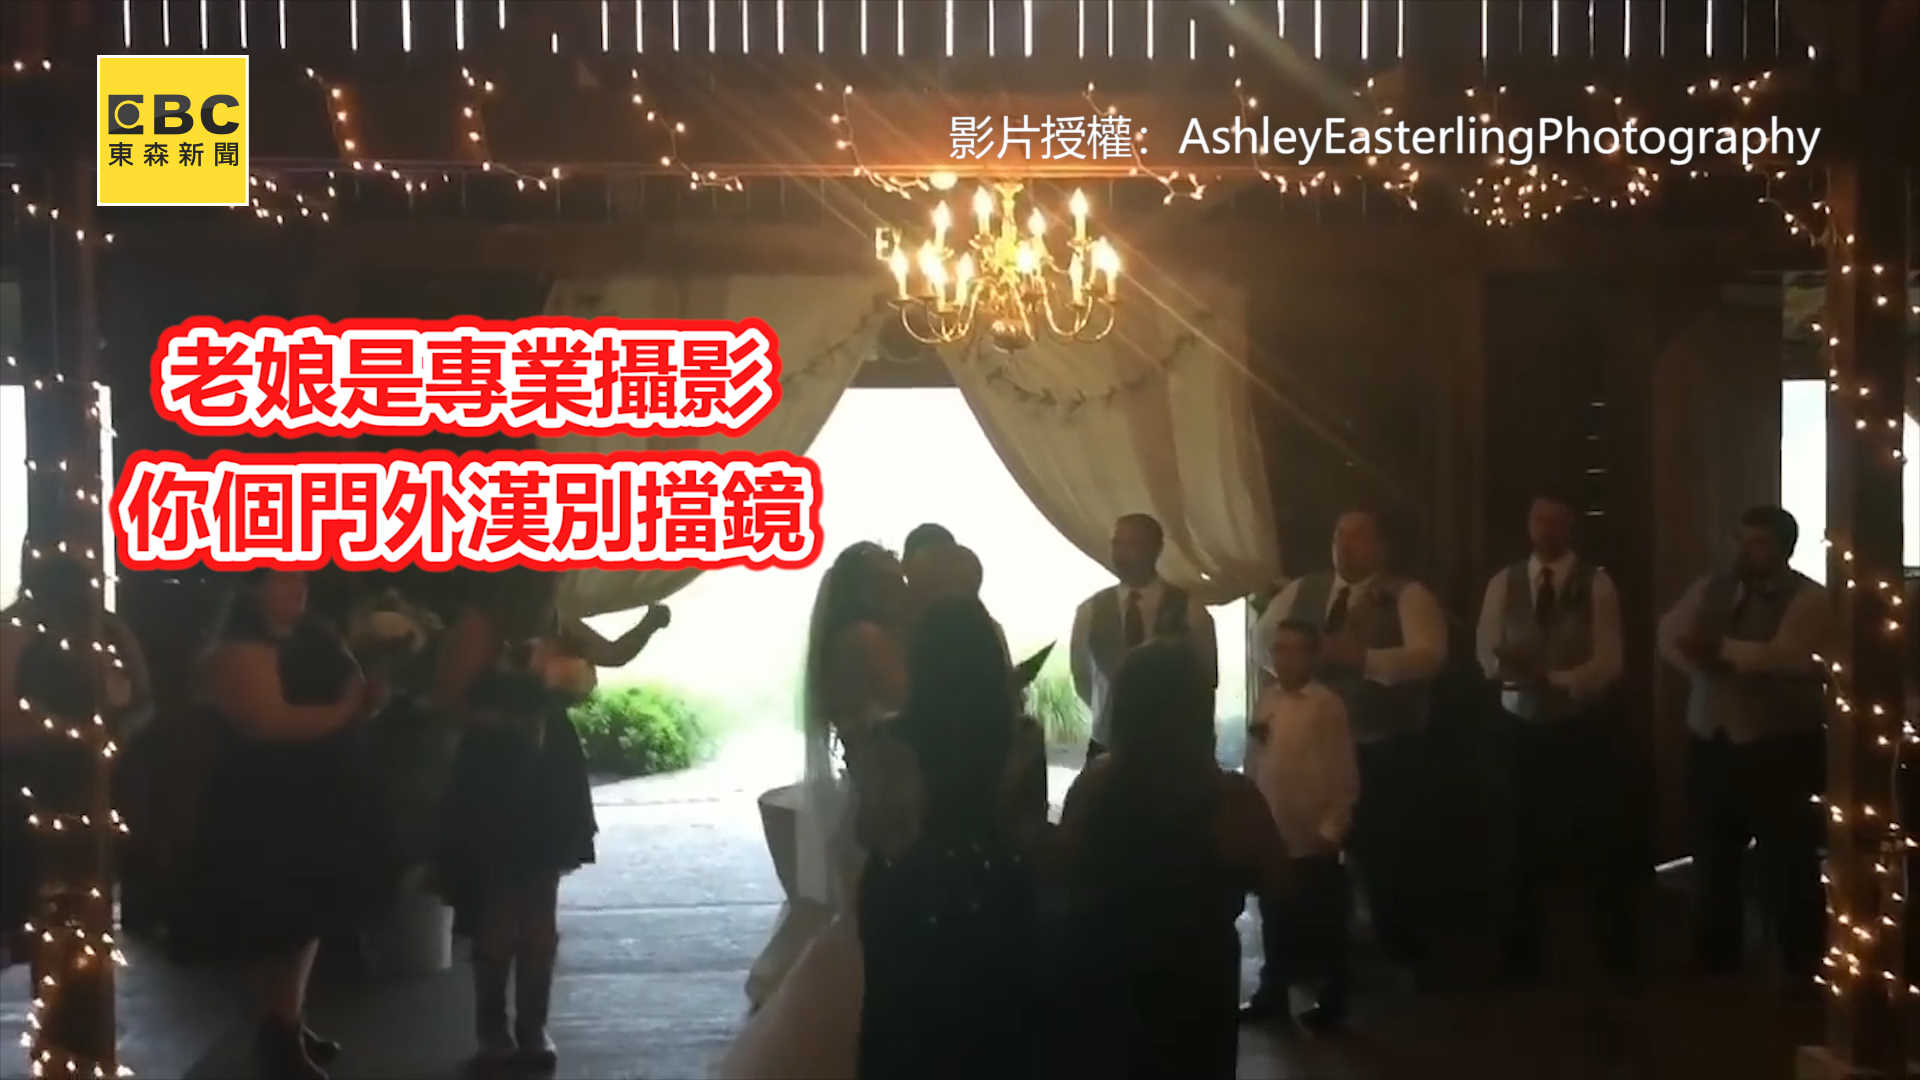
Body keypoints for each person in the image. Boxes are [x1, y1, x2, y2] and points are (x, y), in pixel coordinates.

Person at [434, 568, 671, 1068]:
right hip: (494, 771)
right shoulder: (480, 623)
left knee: (541, 904)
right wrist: (514, 710)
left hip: (549, 768)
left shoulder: (557, 619)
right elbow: (451, 699)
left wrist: (648, 625)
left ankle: (532, 1025)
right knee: (499, 906)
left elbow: (611, 654)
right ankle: (493, 1029)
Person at [167, 569, 392, 1079]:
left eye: (301, 581)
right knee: (278, 921)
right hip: (268, 798)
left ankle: (287, 1019)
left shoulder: (315, 634)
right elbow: (269, 722)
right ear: (254, 589)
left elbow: (349, 694)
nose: (299, 590)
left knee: (307, 916)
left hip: (322, 792)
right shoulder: (238, 649)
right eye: (285, 582)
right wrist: (345, 710)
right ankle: (280, 1030)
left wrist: (367, 698)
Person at [1057, 639, 1292, 1078]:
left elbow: (1064, 874)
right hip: (1198, 988)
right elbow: (1280, 884)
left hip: (1108, 984)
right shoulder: (1234, 801)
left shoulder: (1093, 789)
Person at [719, 541, 910, 1079]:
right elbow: (908, 702)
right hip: (877, 791)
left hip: (859, 785)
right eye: (891, 579)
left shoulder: (844, 638)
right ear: (868, 589)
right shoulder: (869, 639)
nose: (902, 588)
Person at [854, 597, 1049, 1078]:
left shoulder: (889, 739)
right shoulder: (1022, 738)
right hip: (998, 898)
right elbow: (1027, 830)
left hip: (908, 904)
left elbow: (874, 831)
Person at [1252, 508, 1446, 985]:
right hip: (1309, 748)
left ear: (1381, 545)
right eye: (1339, 534)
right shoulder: (1304, 589)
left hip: (1381, 746)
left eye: (1358, 535)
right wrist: (1293, 672)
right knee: (1306, 856)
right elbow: (1262, 639)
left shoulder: (1409, 595)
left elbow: (1429, 657)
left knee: (1384, 857)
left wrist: (1364, 658)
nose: (1344, 544)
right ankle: (1313, 956)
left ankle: (1396, 954)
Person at [1659, 505, 1831, 996]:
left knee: (1788, 856)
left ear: (1783, 548)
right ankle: (1715, 957)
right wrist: (1698, 665)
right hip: (1711, 736)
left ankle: (1800, 963)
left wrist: (1720, 653)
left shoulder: (1809, 598)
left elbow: (1789, 655)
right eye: (1742, 539)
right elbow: (1669, 632)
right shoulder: (1712, 587)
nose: (1745, 551)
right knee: (1712, 852)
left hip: (1779, 742)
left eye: (1757, 542)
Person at [1475, 494, 1637, 987]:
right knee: (1516, 843)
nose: (1546, 529)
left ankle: (1608, 957)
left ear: (1571, 527)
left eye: (1556, 522)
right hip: (1516, 726)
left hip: (1577, 727)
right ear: (1529, 525)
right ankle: (1519, 957)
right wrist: (1507, 671)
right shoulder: (1504, 582)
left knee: (1591, 839)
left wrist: (1558, 680)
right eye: (1539, 520)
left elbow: (1609, 659)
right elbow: (1485, 648)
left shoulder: (1596, 583)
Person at [0, 546, 153, 966]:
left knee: (72, 893)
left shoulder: (105, 629)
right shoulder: (19, 629)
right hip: (37, 780)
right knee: (44, 895)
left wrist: (109, 733)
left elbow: (141, 697)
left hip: (84, 779)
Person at [1240, 620, 1357, 1032]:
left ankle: (1333, 996)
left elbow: (1343, 771)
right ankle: (1273, 991)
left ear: (1313, 657)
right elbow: (1254, 759)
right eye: (1279, 649)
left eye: (1295, 650)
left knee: (1323, 919)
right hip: (1273, 830)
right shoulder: (1267, 700)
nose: (1285, 658)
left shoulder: (1327, 706)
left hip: (1312, 834)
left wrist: (1332, 826)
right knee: (1275, 916)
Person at [1069, 514, 1217, 762]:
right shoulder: (1090, 611)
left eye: (1133, 544)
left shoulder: (1191, 610)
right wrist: (1109, 708)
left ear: (1156, 548)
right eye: (1117, 544)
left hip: (1173, 748)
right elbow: (1082, 676)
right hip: (1108, 743)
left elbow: (1206, 679)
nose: (1122, 554)